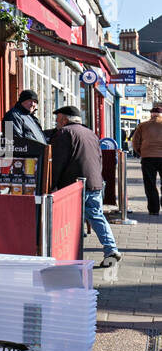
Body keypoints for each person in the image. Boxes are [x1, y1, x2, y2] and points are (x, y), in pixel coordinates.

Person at [51, 105, 121, 268]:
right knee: (97, 217)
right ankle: (111, 249)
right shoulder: (91, 134)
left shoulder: (65, 133)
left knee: (68, 220)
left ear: (64, 119)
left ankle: (71, 255)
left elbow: (58, 162)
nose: (56, 122)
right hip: (95, 182)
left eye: (58, 118)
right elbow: (99, 159)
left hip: (73, 185)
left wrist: (52, 185)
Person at [130, 102, 162, 216]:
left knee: (150, 184)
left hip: (148, 157)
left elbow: (135, 142)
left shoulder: (143, 125)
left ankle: (153, 209)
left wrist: (141, 151)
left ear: (151, 114)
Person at [2, 89, 48, 156]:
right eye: (30, 100)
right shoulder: (12, 115)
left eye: (35, 102)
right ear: (22, 101)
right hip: (25, 159)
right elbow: (15, 141)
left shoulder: (30, 117)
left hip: (37, 157)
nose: (32, 104)